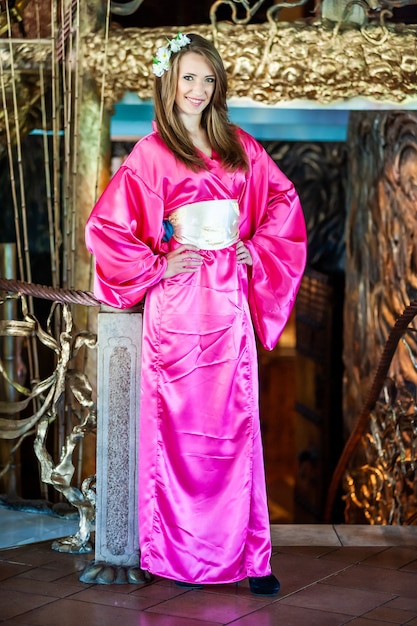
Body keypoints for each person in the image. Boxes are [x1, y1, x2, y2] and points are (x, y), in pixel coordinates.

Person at [85, 32, 307, 595]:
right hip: (177, 308)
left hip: (229, 302)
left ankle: (251, 557)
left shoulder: (240, 146)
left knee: (236, 427)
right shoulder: (150, 154)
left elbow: (283, 203)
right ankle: (171, 551)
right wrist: (159, 263)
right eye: (189, 77)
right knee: (175, 431)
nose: (199, 89)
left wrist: (252, 249)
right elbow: (107, 228)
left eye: (208, 79)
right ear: (169, 81)